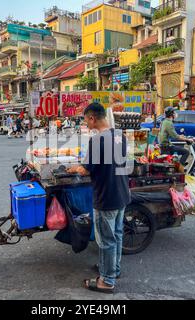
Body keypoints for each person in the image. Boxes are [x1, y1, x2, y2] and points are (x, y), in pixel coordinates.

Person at [67, 103, 130, 294]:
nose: (86, 123)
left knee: (106, 240)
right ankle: (112, 269)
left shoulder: (97, 141)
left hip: (106, 196)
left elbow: (86, 169)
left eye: (86, 119)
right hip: (122, 193)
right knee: (117, 235)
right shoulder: (120, 135)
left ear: (92, 118)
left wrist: (73, 168)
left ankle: (107, 281)